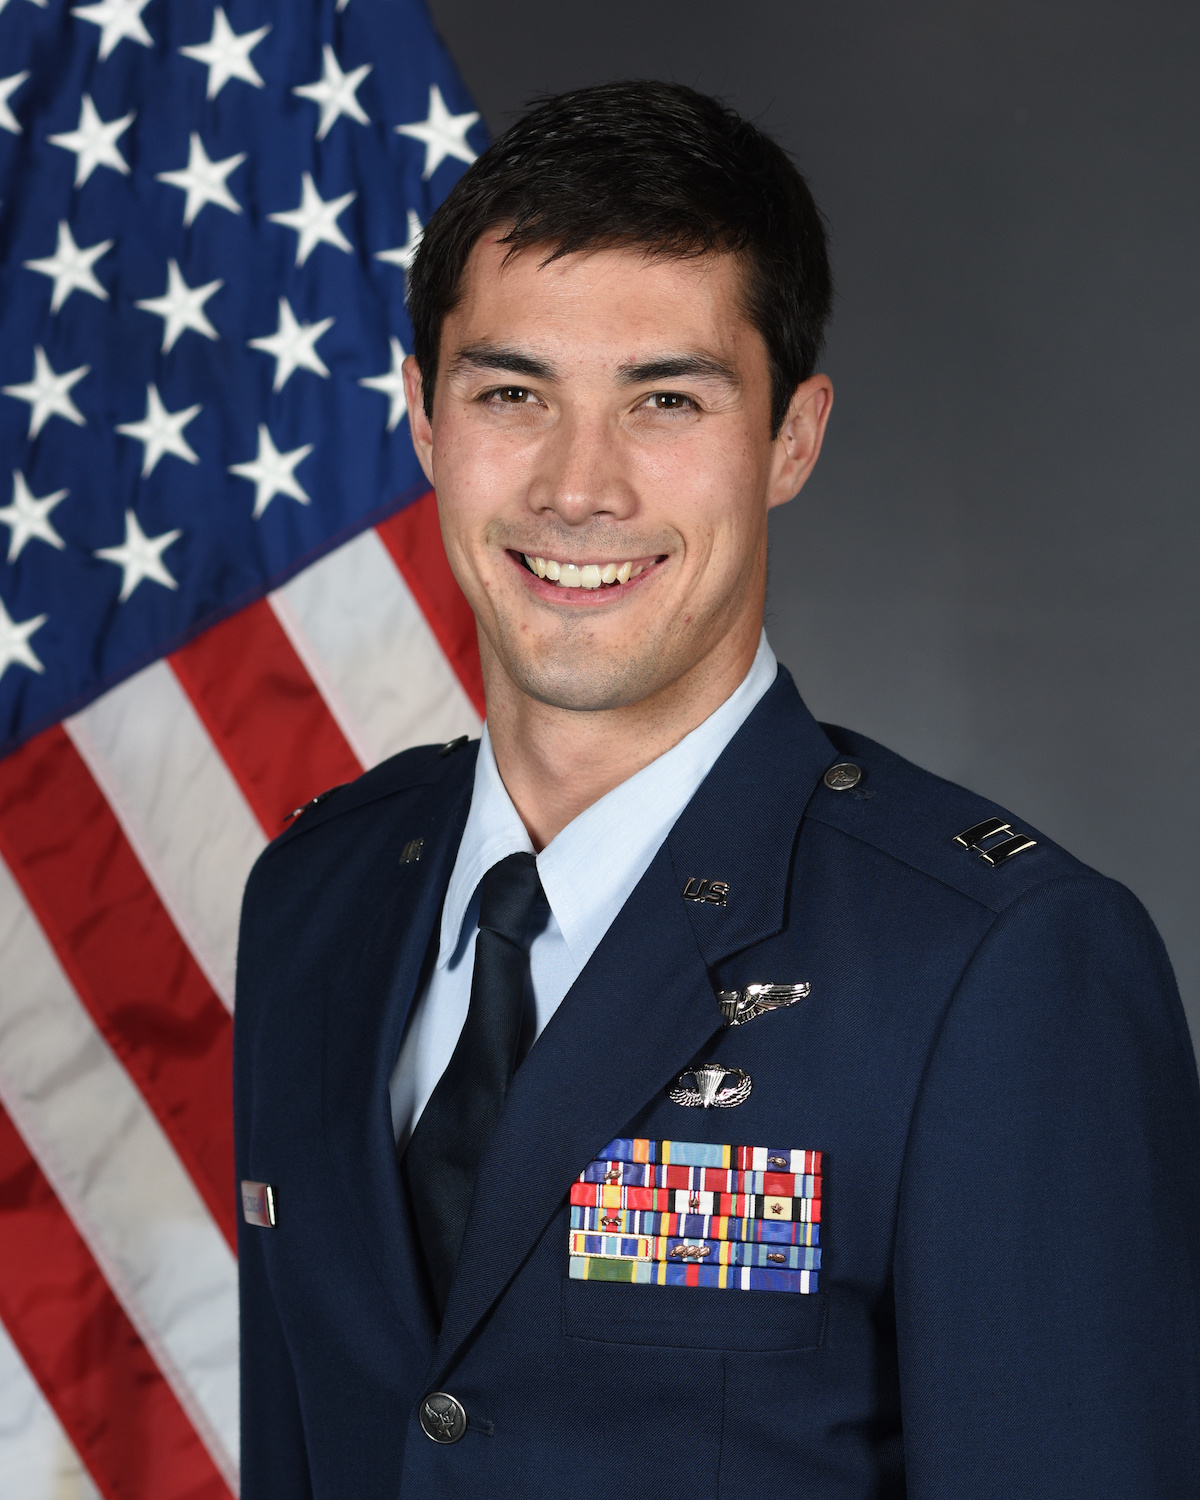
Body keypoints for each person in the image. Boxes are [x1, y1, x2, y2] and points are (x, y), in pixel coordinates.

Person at [234, 81, 1200, 1499]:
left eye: (666, 401)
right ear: (426, 422)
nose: (578, 488)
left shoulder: (997, 966)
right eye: (511, 394)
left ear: (791, 440)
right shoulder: (313, 901)